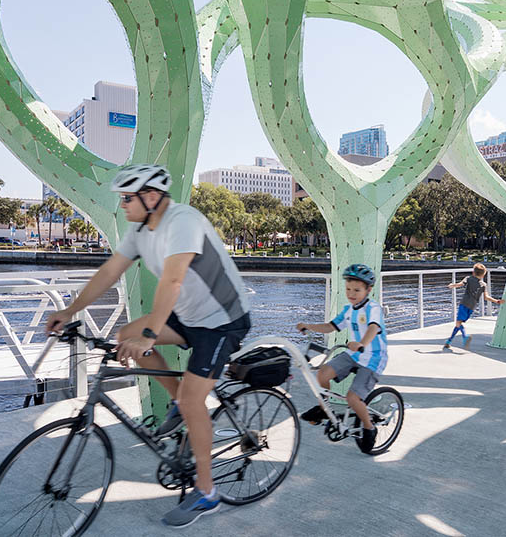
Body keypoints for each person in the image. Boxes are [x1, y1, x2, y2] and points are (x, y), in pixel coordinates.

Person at [44, 164, 251, 528]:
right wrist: (69, 309)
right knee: (126, 335)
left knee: (192, 400)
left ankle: (206, 493)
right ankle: (178, 401)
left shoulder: (183, 220)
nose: (122, 205)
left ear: (151, 197)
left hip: (223, 321)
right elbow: (109, 271)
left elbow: (172, 281)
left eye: (127, 198)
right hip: (189, 317)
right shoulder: (140, 231)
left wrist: (151, 334)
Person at [295, 263, 388, 455]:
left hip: (373, 358)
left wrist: (361, 343)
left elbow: (373, 328)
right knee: (322, 374)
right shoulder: (348, 310)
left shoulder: (373, 308)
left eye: (356, 290)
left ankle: (370, 428)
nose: (351, 294)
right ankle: (324, 409)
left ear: (368, 289)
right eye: (348, 289)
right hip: (354, 354)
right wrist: (309, 326)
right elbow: (331, 326)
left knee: (352, 398)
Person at [443, 262, 502, 350]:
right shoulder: (483, 285)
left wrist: (452, 285)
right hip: (472, 306)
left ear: (473, 272)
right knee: (459, 323)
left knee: (458, 323)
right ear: (483, 275)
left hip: (464, 303)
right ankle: (448, 342)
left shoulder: (469, 278)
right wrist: (497, 301)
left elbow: (460, 284)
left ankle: (465, 336)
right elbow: (486, 297)